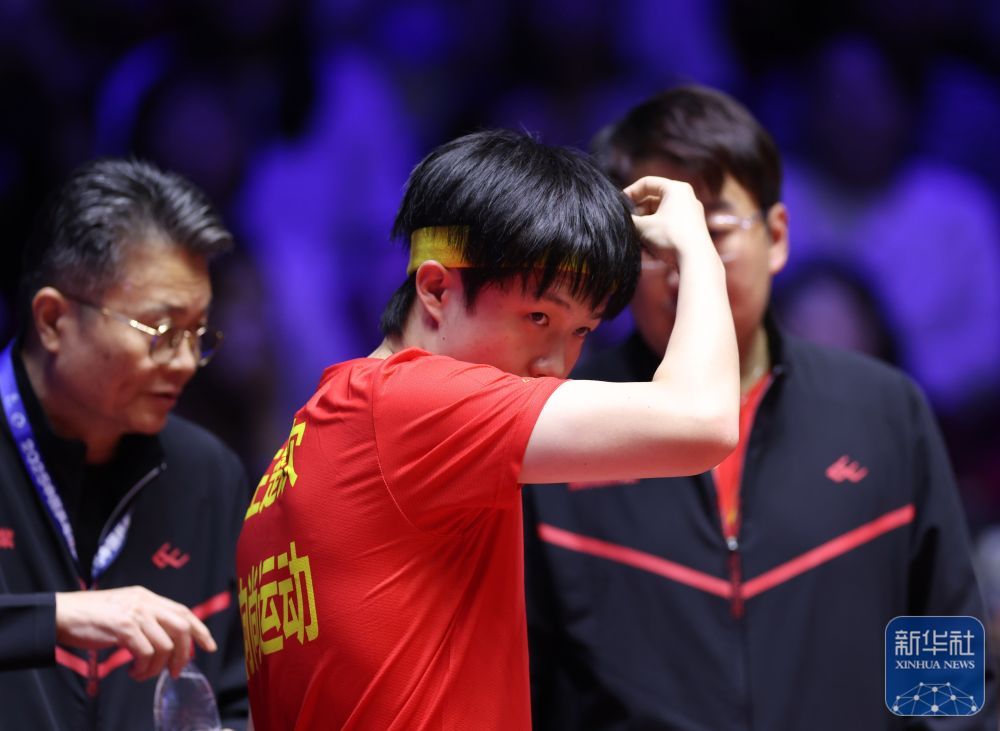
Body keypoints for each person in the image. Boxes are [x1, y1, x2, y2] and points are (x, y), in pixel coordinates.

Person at [522, 85, 998, 730]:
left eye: (713, 233)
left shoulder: (884, 410)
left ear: (775, 238)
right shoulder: (558, 426)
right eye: (656, 241)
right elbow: (520, 671)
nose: (687, 267)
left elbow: (942, 640)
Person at [235, 128, 740, 729]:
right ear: (435, 289)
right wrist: (699, 252)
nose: (556, 364)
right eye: (538, 316)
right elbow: (703, 422)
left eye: (582, 331)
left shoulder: (307, 442)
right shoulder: (412, 405)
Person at [0, 158, 250, 729]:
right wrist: (53, 617)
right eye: (161, 332)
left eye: (198, 334)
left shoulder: (210, 477)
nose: (186, 362)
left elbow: (242, 700)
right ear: (52, 320)